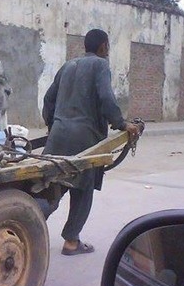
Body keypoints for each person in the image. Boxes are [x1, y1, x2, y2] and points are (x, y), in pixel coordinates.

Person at [41, 28, 140, 256]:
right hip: (85, 138)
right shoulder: (101, 66)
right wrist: (122, 124)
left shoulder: (68, 66)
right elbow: (106, 98)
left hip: (58, 135)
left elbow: (48, 99)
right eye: (108, 47)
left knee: (51, 186)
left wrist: (53, 125)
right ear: (103, 46)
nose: (108, 51)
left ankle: (26, 223)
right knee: (83, 189)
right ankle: (71, 242)